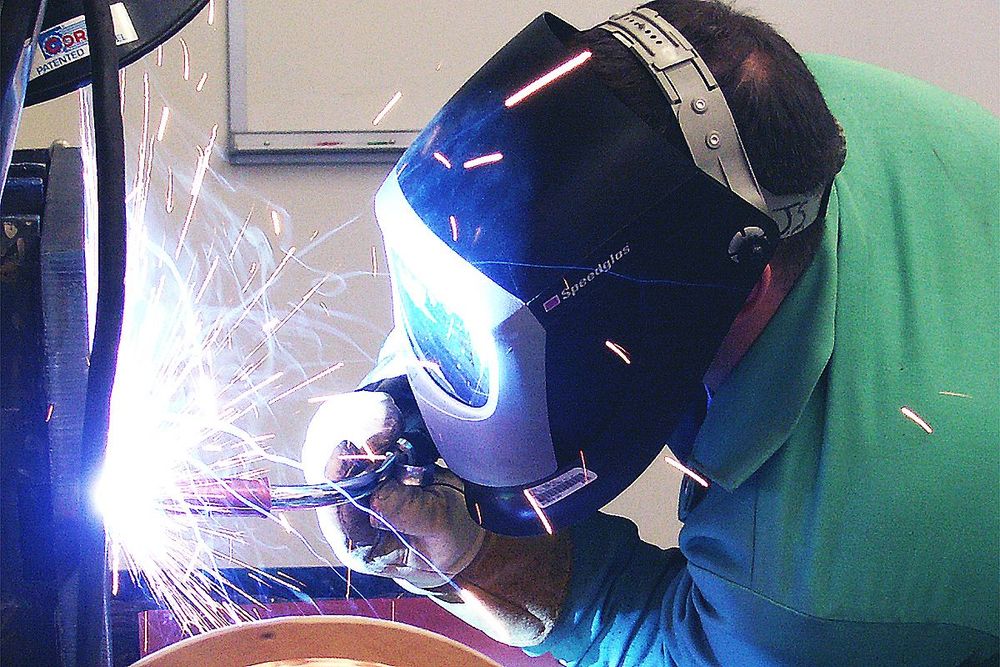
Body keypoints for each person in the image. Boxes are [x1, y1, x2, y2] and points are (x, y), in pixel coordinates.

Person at [301, 1, 999, 664]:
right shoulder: (761, 120)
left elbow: (683, 648)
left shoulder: (821, 571)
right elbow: (508, 243)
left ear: (743, 280)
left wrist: (474, 557)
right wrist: (402, 386)